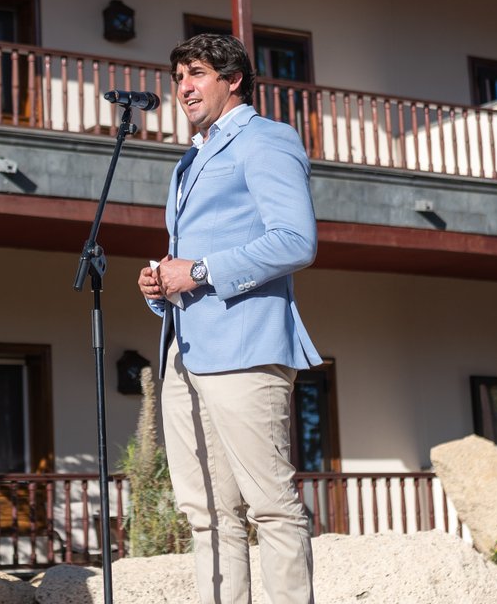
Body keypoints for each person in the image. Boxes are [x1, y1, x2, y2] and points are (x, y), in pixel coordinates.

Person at [136, 33, 321, 604]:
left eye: (196, 74)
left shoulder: (267, 140)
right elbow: (192, 262)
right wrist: (161, 284)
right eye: (178, 78)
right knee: (205, 512)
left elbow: (295, 241)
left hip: (246, 348)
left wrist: (200, 270)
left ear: (233, 78)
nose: (183, 88)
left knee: (270, 504)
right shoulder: (188, 160)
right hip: (184, 352)